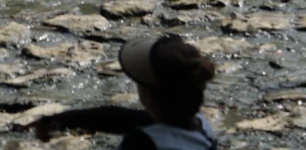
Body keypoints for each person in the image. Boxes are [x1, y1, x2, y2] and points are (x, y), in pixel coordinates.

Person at [34, 33, 217, 148]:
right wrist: (61, 120)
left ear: (148, 95)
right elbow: (120, 119)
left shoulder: (143, 144)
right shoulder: (200, 126)